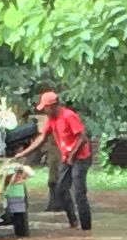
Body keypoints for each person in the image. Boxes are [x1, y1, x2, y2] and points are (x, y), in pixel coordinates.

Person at [26, 90, 93, 232]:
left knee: (79, 191)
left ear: (53, 106)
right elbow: (42, 138)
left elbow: (82, 138)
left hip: (80, 158)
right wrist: (25, 152)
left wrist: (72, 156)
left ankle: (86, 228)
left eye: (45, 107)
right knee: (61, 189)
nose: (44, 110)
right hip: (67, 157)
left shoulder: (69, 116)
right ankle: (73, 221)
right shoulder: (51, 119)